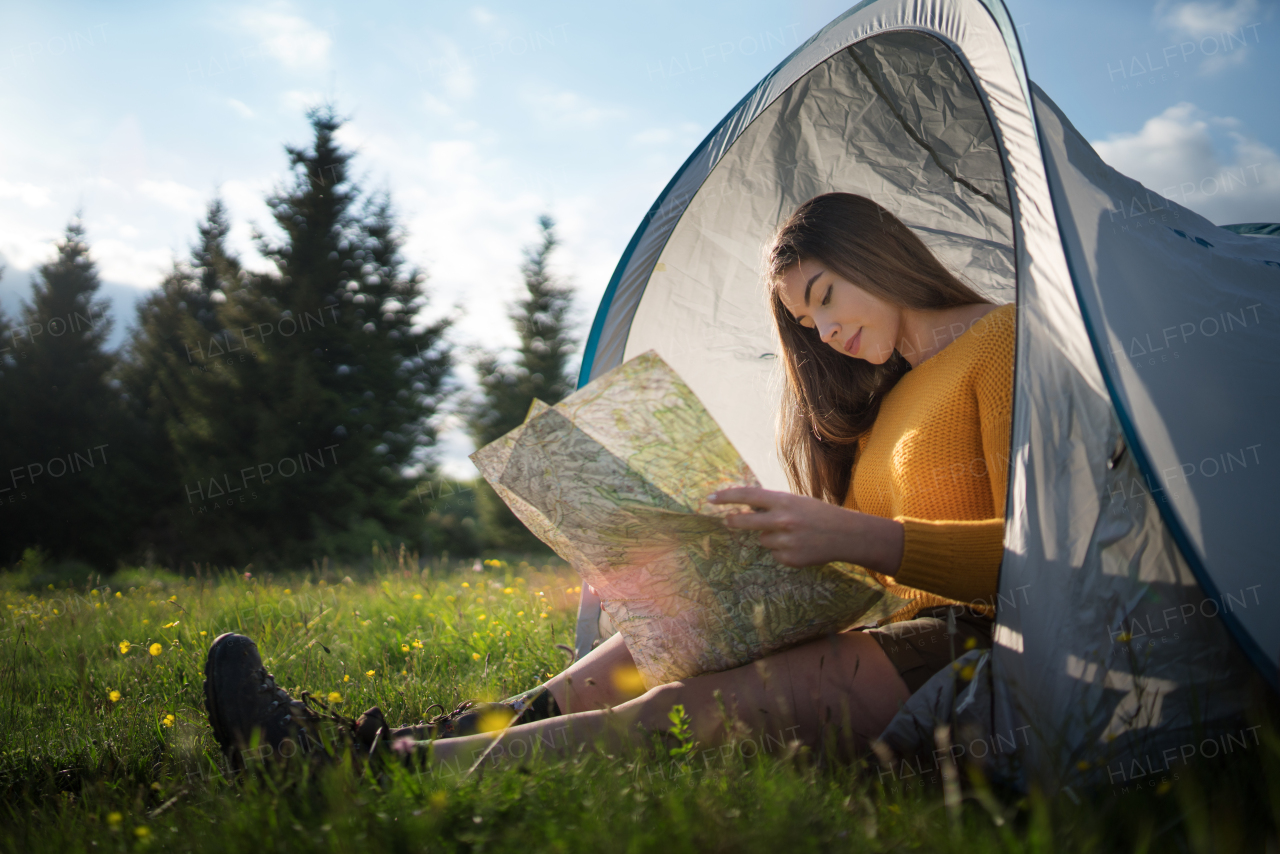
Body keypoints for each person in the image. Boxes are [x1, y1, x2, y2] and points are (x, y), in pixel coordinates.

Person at [204, 192, 1015, 774]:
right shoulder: (884, 400)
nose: (826, 331)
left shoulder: (998, 342)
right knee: (648, 638)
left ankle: (362, 774)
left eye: (825, 297)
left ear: (878, 254)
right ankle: (385, 743)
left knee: (672, 713)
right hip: (892, 629)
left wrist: (854, 536)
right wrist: (748, 551)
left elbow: (1046, 565)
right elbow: (881, 566)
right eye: (806, 324)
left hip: (967, 648)